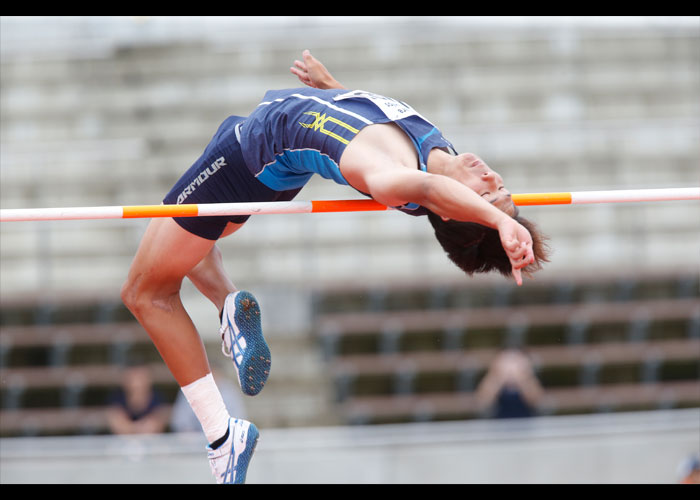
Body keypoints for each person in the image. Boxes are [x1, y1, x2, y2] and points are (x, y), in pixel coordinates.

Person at [120, 50, 549, 484]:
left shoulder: (393, 179)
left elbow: (421, 184)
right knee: (189, 233)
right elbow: (372, 125)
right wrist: (335, 91)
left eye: (489, 196)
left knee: (146, 293)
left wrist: (496, 220)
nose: (494, 180)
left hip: (253, 153)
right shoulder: (442, 152)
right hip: (271, 152)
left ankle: (221, 435)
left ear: (456, 212)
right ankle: (228, 305)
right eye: (501, 189)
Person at [475, 350, 544, 419]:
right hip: (499, 423)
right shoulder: (493, 379)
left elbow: (536, 402)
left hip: (526, 422)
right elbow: (483, 403)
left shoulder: (528, 379)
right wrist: (498, 377)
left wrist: (522, 378)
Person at [107, 360, 169, 435]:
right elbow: (118, 426)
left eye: (141, 377)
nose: (137, 383)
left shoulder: (158, 398)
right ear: (125, 380)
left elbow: (155, 426)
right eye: (133, 378)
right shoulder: (116, 398)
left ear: (149, 379)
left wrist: (130, 428)